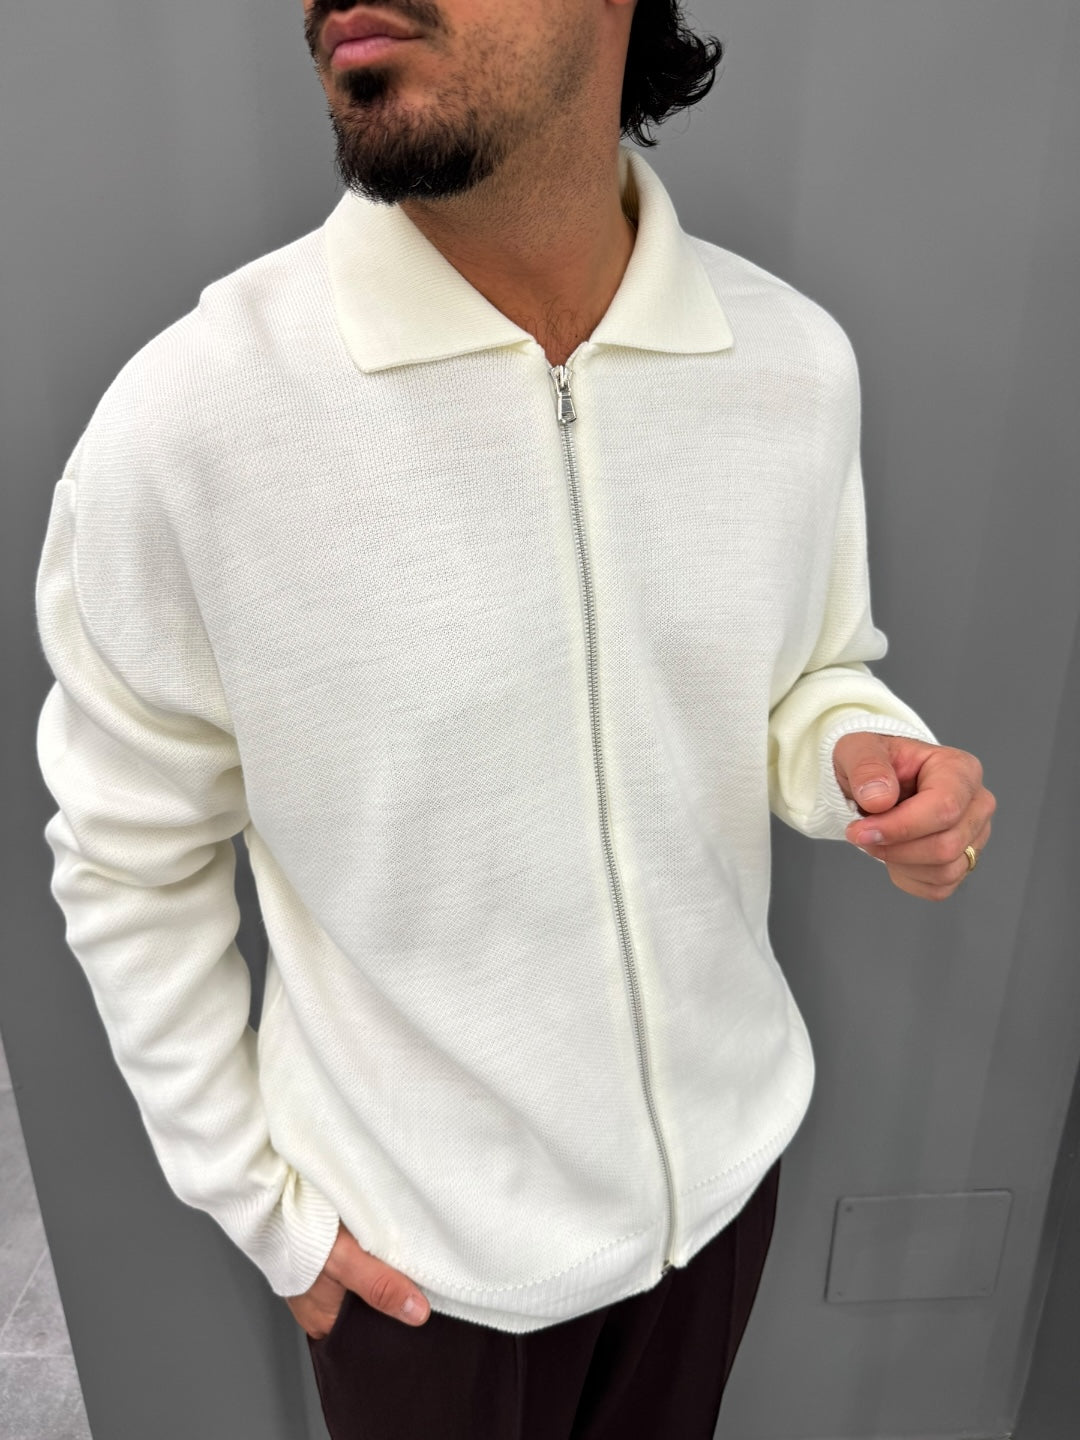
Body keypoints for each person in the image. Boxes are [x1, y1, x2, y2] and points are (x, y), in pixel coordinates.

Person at [33, 0, 995, 1435]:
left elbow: (810, 671)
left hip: (721, 1193)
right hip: (426, 1272)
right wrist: (264, 1210)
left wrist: (859, 755)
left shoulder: (789, 363)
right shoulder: (191, 424)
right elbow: (126, 858)